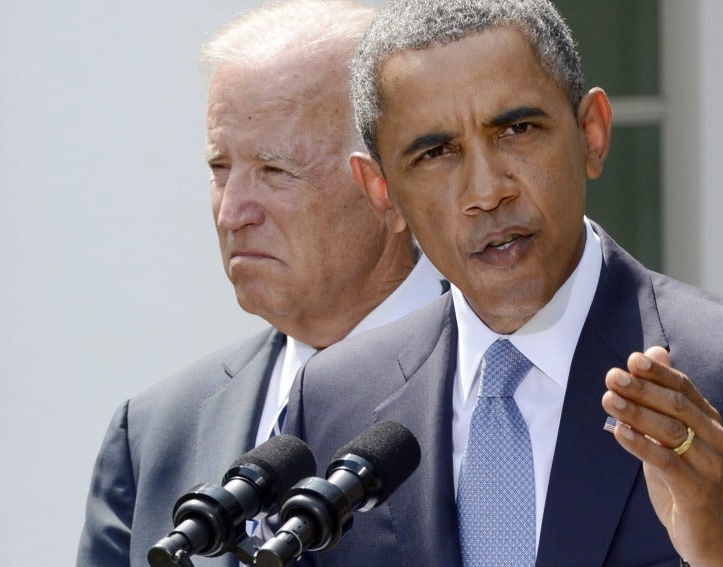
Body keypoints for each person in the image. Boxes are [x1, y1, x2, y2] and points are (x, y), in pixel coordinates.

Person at [284, 0, 723, 566]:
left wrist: (722, 555)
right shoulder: (334, 403)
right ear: (382, 193)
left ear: (592, 135)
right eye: (437, 152)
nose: (487, 190)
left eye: (517, 130)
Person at [76, 2, 446, 565]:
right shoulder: (153, 433)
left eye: (275, 171)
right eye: (220, 169)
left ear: (391, 188)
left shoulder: (506, 391)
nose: (232, 213)